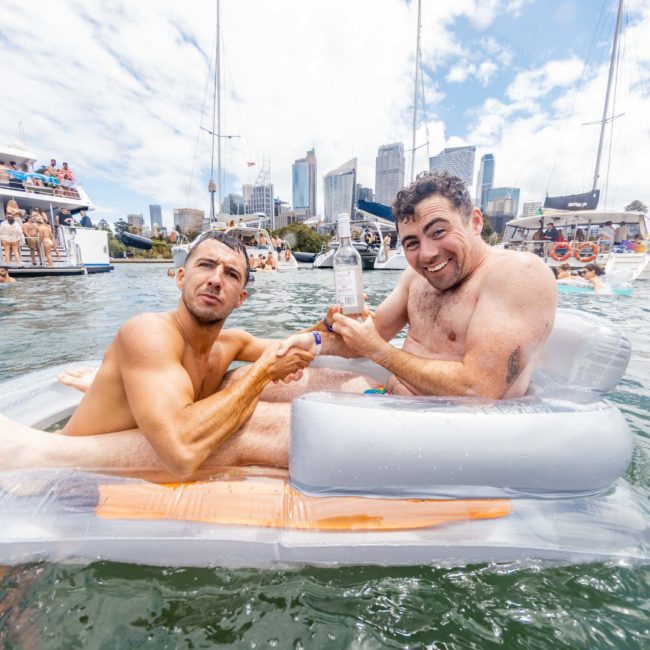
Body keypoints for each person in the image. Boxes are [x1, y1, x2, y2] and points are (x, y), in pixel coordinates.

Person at [1, 173, 557, 478]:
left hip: (451, 431)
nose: (426, 252)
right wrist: (320, 335)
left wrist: (376, 352)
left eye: (439, 232)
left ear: (475, 220)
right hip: (395, 396)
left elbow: (481, 389)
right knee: (258, 384)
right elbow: (362, 335)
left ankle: (48, 458)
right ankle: (127, 403)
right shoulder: (420, 279)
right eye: (412, 242)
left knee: (245, 427)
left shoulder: (518, 276)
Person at [0, 232, 315, 479]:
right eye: (206, 265)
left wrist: (329, 328)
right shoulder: (147, 332)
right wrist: (261, 373)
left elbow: (295, 344)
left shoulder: (230, 344)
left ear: (240, 299)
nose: (216, 279)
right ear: (180, 278)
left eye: (231, 274)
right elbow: (181, 455)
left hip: (129, 464)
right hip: (58, 480)